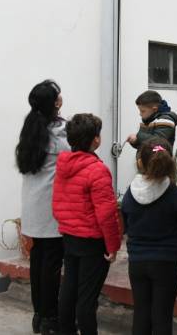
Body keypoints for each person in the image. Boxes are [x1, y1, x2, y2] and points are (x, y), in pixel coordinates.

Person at [53, 113, 122, 335]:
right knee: (87, 298)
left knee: (69, 290)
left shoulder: (63, 165)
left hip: (69, 236)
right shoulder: (97, 169)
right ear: (96, 140)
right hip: (92, 241)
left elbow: (58, 202)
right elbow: (106, 213)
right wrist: (112, 246)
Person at [121, 138, 177, 335]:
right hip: (167, 262)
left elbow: (124, 224)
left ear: (140, 163)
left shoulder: (130, 193)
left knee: (141, 315)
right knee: (162, 317)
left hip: (137, 263)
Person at [15, 80, 68, 335]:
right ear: (55, 103)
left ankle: (39, 315)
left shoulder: (30, 127)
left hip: (33, 207)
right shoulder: (58, 134)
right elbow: (75, 150)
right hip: (50, 209)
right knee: (51, 265)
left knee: (38, 262)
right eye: (58, 96)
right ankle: (50, 318)